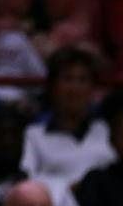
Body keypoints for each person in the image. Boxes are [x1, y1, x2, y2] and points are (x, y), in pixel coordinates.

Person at [25, 45, 115, 187]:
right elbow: (28, 185)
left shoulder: (108, 130)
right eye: (68, 79)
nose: (75, 88)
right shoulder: (33, 135)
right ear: (52, 87)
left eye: (83, 80)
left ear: (92, 88)